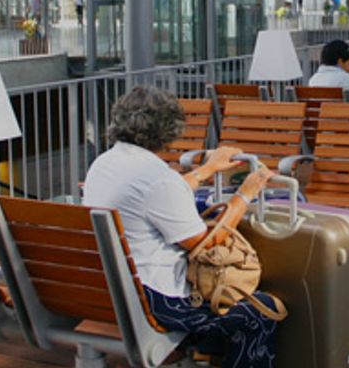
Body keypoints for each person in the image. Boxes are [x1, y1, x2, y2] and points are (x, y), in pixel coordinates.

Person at [83, 86, 282, 368]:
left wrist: (207, 170)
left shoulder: (104, 164)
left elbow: (155, 194)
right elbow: (207, 246)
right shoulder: (157, 178)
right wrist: (245, 194)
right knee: (261, 311)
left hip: (107, 290)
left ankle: (202, 351)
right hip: (154, 300)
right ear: (169, 131)